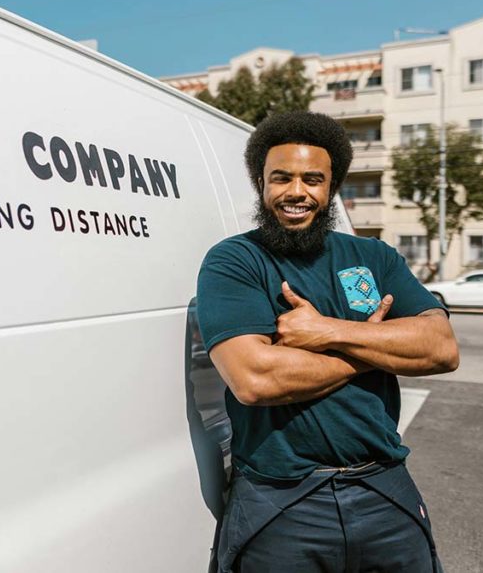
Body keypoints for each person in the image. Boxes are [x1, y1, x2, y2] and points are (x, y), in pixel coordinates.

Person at [196, 111, 459, 573]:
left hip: (384, 488)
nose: (296, 192)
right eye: (282, 178)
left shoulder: (374, 256)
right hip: (282, 501)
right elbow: (256, 378)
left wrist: (328, 332)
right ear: (261, 182)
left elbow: (440, 347)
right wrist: (377, 348)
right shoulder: (235, 260)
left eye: (312, 179)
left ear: (332, 188)